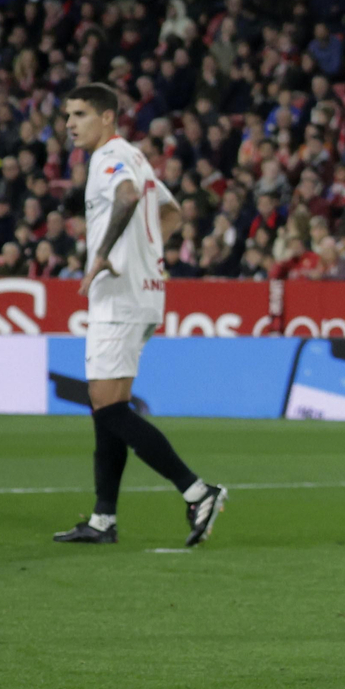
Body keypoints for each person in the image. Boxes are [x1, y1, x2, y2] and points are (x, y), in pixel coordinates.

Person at [52, 84, 227, 546]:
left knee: (108, 407)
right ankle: (103, 519)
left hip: (119, 295)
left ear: (107, 117)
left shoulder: (109, 158)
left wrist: (102, 256)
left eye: (80, 113)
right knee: (108, 405)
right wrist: (146, 256)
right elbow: (170, 214)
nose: (70, 123)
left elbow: (128, 198)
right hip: (142, 290)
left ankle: (197, 491)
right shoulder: (136, 155)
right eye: (68, 114)